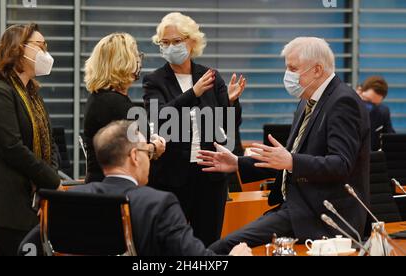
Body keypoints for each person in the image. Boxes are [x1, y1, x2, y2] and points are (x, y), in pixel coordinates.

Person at [198, 37, 370, 254]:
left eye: (293, 68)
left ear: (317, 69)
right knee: (223, 246)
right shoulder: (307, 102)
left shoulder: (343, 102)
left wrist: (291, 160)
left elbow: (341, 164)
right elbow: (286, 160)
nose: (287, 75)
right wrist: (238, 163)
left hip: (324, 215)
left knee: (222, 248)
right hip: (296, 207)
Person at [19, 120, 252, 256]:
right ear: (133, 156)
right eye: (147, 152)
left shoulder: (70, 200)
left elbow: (26, 248)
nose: (150, 158)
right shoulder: (158, 204)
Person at [142, 12, 245, 246]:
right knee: (170, 244)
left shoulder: (210, 76)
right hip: (171, 176)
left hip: (210, 175)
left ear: (192, 42)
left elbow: (229, 126)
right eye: (164, 43)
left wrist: (230, 103)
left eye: (176, 41)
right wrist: (193, 93)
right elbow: (159, 118)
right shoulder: (154, 80)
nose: (170, 47)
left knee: (209, 243)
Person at [0, 23, 60, 255]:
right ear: (18, 49)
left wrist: (48, 186)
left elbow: (49, 142)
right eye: (39, 45)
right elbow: (12, 147)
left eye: (46, 45)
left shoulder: (32, 93)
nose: (45, 51)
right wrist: (51, 181)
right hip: (6, 204)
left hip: (29, 200)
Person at [83, 32, 165, 183]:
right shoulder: (115, 104)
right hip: (114, 191)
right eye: (134, 55)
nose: (138, 60)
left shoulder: (100, 98)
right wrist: (154, 147)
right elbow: (131, 151)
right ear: (122, 62)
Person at [357, 76, 395, 151]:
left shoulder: (382, 112)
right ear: (359, 91)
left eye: (374, 104)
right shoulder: (343, 108)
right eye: (367, 101)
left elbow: (391, 141)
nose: (369, 108)